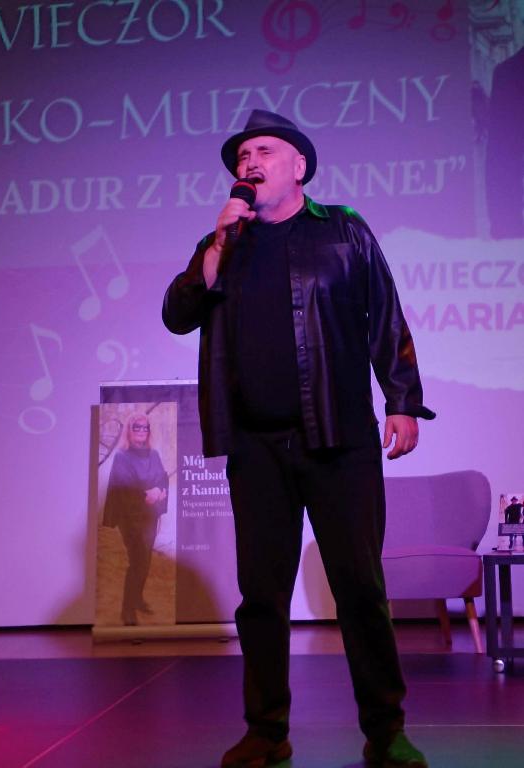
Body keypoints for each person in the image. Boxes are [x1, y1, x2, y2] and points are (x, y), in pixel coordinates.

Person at [162, 110, 436, 768]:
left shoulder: (342, 229)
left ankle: (386, 730)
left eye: (263, 151)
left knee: (360, 589)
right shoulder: (223, 242)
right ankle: (266, 731)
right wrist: (216, 249)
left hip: (339, 440)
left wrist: (402, 400)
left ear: (299, 167)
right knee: (261, 596)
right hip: (255, 446)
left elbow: (385, 315)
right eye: (242, 156)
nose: (249, 163)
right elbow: (176, 314)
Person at [102, 412, 168, 625]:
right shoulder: (122, 457)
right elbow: (123, 488)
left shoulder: (154, 455)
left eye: (144, 427)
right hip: (129, 518)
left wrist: (160, 490)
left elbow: (162, 477)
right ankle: (127, 610)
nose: (141, 430)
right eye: (136, 427)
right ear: (129, 431)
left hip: (149, 516)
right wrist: (146, 495)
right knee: (137, 561)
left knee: (145, 560)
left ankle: (138, 599)